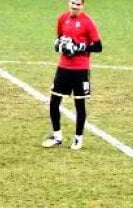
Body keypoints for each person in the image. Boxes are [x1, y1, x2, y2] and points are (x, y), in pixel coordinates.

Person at [42, 0, 102, 151]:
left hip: (80, 70)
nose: (75, 6)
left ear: (83, 5)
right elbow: (60, 38)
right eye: (73, 3)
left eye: (78, 4)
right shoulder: (62, 18)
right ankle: (57, 137)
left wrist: (79, 47)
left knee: (79, 105)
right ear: (68, 2)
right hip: (63, 68)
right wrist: (59, 44)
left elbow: (98, 46)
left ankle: (78, 139)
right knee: (54, 102)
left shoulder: (88, 23)